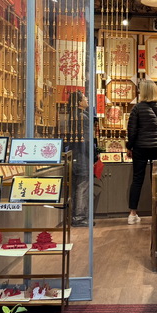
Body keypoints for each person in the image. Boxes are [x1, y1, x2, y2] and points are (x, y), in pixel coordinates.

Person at [125, 79, 157, 225]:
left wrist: (129, 147)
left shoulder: (137, 108)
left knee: (137, 180)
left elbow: (131, 131)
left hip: (140, 148)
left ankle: (132, 214)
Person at [66, 90, 90, 227]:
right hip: (82, 156)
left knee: (77, 186)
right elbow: (86, 140)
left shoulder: (73, 116)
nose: (87, 99)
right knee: (82, 186)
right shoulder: (83, 117)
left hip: (74, 155)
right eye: (84, 98)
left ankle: (76, 216)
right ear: (79, 102)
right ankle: (79, 217)